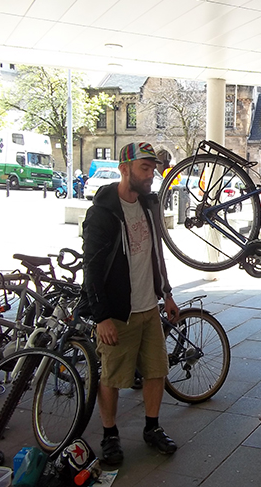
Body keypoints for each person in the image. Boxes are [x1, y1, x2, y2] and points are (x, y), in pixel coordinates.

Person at [82, 141, 178, 466]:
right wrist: (102, 316)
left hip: (148, 307)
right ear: (124, 169)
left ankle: (152, 428)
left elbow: (157, 254)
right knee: (111, 377)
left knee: (155, 371)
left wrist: (166, 294)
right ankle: (110, 436)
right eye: (144, 168)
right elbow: (91, 269)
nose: (151, 175)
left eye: (153, 168)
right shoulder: (102, 213)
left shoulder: (149, 205)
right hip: (118, 313)